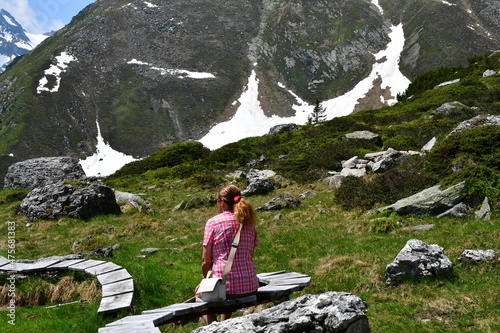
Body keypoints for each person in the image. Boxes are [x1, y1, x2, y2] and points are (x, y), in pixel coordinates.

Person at [195, 184, 259, 324]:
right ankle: (225, 324)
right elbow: (250, 254)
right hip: (251, 286)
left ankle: (214, 327)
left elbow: (206, 261)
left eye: (216, 201)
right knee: (224, 287)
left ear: (222, 202)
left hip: (227, 289)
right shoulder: (249, 223)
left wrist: (206, 282)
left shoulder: (213, 222)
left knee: (199, 295)